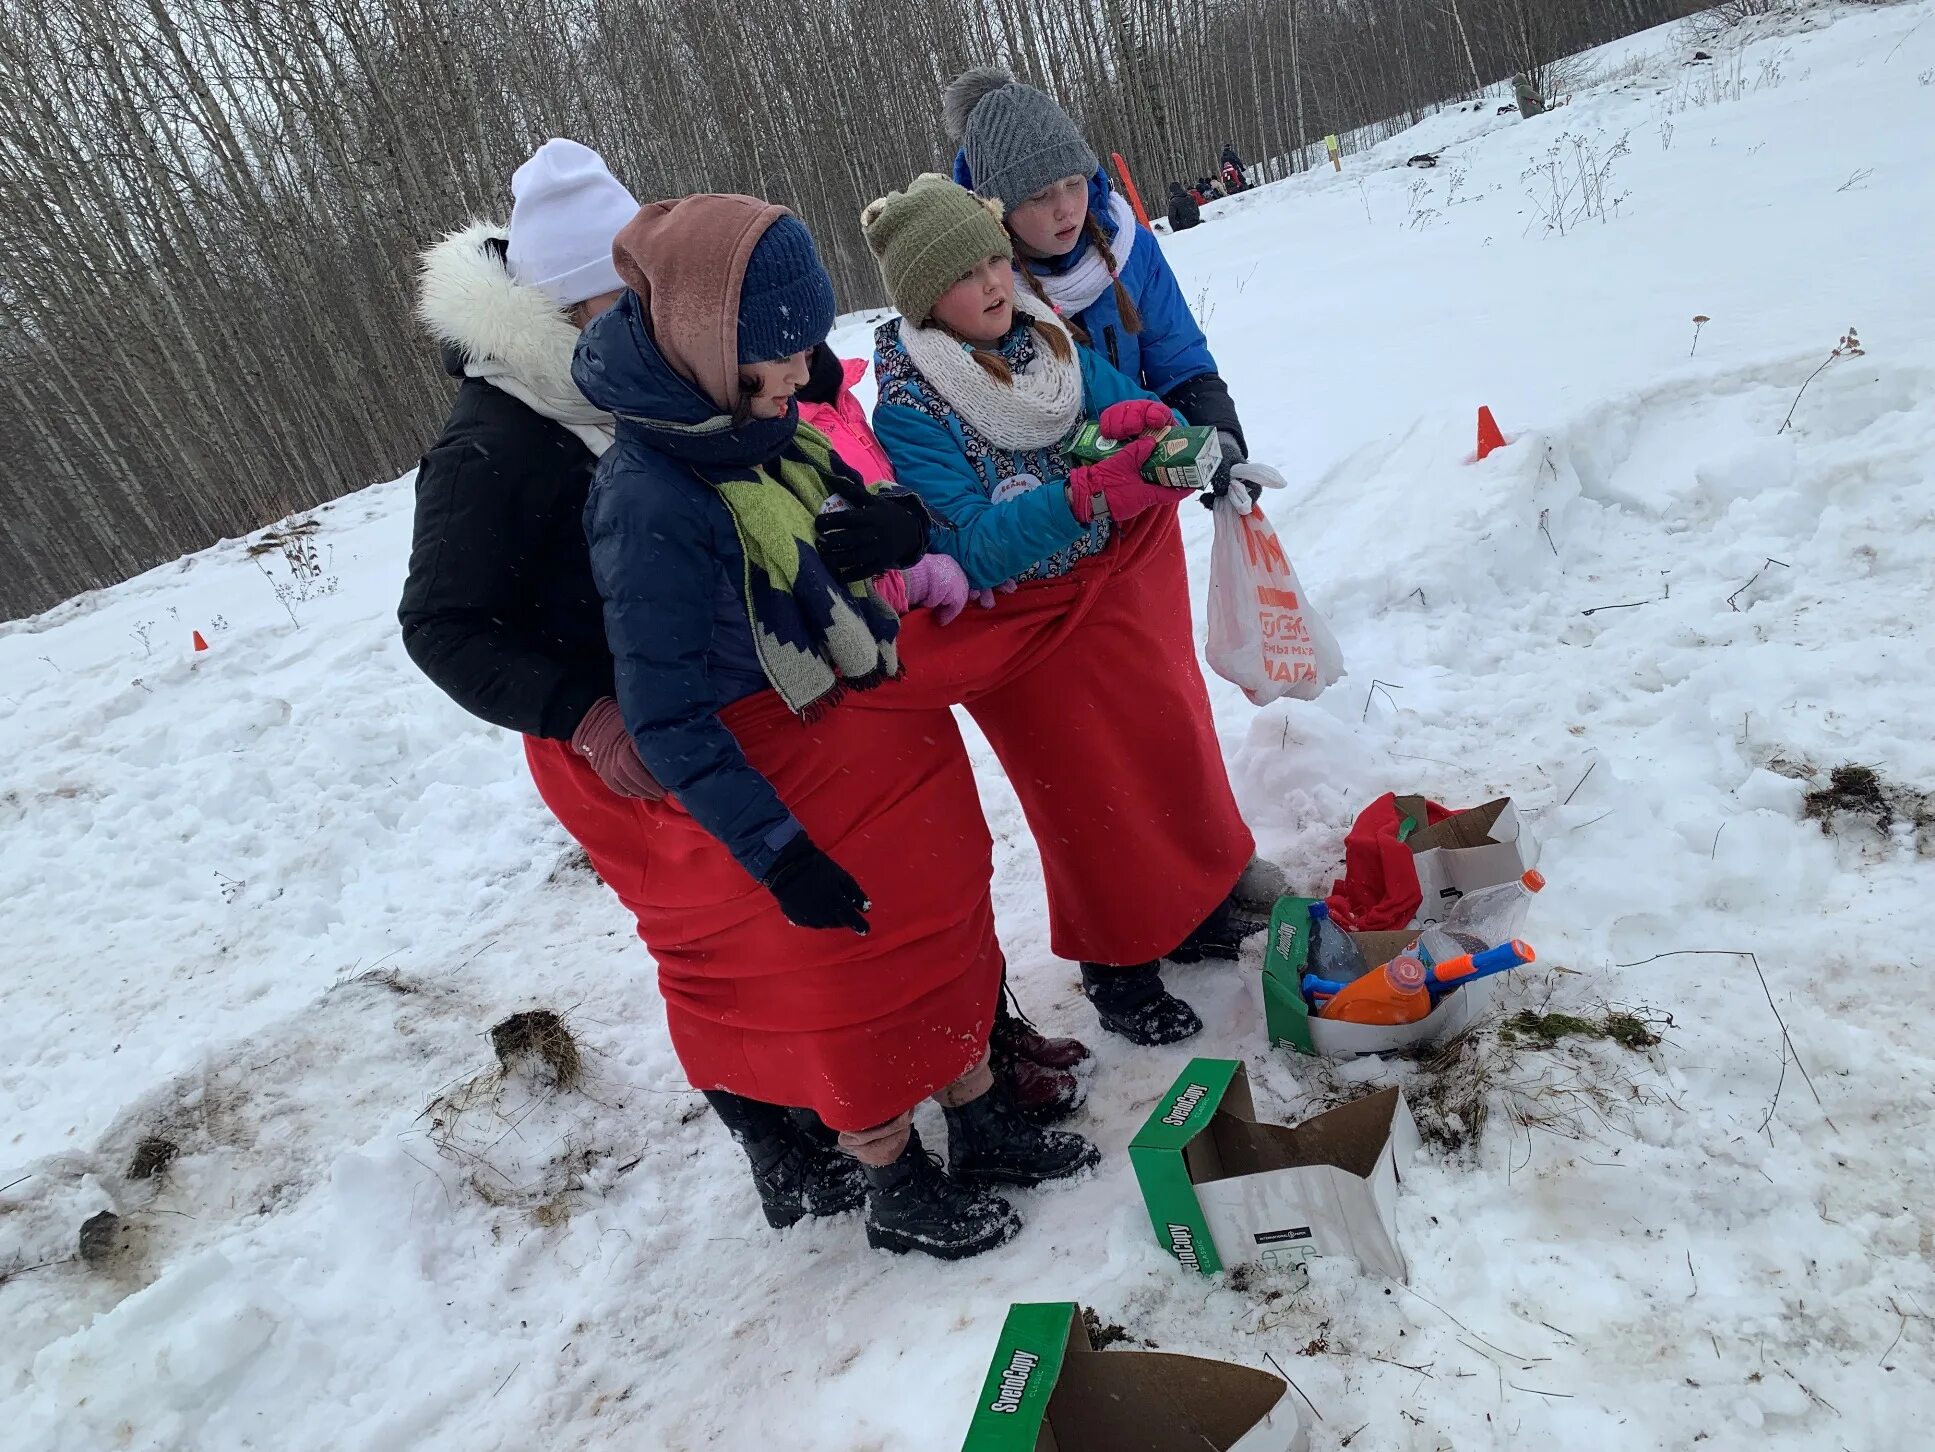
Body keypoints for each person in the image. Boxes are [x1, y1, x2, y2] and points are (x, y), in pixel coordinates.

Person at [569, 192, 1098, 1258]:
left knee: (939, 915)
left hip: (852, 713)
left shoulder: (744, 419)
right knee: (849, 980)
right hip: (774, 757)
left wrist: (890, 527)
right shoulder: (647, 499)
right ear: (717, 347)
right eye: (783, 351)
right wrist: (777, 855)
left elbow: (810, 521)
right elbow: (667, 714)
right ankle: (894, 1179)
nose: (805, 371)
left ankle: (980, 1114)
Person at [400, 140, 867, 1234]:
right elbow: (441, 625)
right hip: (607, 732)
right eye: (607, 307)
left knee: (792, 905)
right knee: (712, 941)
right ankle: (771, 1135)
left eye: (643, 299)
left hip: (721, 690)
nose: (636, 322)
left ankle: (836, 1083)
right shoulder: (493, 446)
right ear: (552, 314)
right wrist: (583, 713)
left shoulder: (671, 379)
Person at [858, 175, 1252, 1046]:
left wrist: (1140, 413)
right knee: (1091, 799)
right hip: (1032, 633)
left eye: (997, 258)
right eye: (968, 275)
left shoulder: (1041, 334)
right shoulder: (912, 403)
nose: (996, 283)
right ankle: (1118, 967)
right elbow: (965, 544)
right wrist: (1088, 498)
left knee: (1168, 748)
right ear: (927, 298)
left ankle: (1189, 908)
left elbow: (1099, 391)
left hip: (1119, 593)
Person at [943, 73, 1291, 926]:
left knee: (1170, 703)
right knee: (1099, 746)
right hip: (1052, 537)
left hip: (1143, 510)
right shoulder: (974, 282)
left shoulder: (1122, 241)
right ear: (994, 207)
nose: (1066, 208)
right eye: (1038, 196)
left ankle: (1210, 865)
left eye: (1073, 183)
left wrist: (1213, 430)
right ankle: (1142, 908)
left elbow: (1174, 348)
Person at [793, 340, 1094, 1121]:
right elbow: (817, 553)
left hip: (904, 655)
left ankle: (989, 1033)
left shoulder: (832, 390)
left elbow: (881, 498)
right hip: (850, 672)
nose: (796, 341)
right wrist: (912, 571)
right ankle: (957, 1066)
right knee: (905, 889)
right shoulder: (769, 415)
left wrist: (912, 547)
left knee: (952, 859)